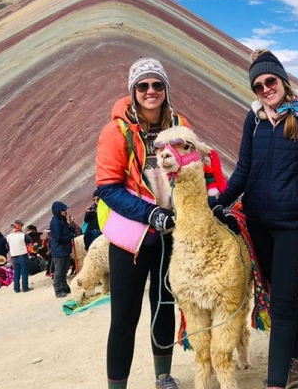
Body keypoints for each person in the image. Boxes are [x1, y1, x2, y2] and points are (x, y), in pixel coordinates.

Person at [208, 49, 298, 389]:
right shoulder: (255, 120)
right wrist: (220, 201)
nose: (264, 90)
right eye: (257, 86)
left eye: (269, 81)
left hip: (293, 225)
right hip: (258, 223)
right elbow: (244, 169)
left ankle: (275, 382)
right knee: (279, 296)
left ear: (283, 80)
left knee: (283, 303)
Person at [96, 57, 185, 389]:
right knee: (124, 317)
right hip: (130, 239)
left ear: (165, 89)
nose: (151, 91)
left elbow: (193, 170)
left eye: (157, 85)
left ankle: (163, 376)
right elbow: (108, 187)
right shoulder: (115, 131)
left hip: (169, 233)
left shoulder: (179, 124)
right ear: (133, 91)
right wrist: (149, 213)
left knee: (164, 305)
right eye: (143, 85)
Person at [49, 202, 76, 298]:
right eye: (63, 210)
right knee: (59, 271)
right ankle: (58, 289)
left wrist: (71, 229)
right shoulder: (55, 222)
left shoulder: (62, 220)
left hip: (65, 249)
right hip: (59, 249)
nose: (66, 211)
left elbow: (66, 231)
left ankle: (64, 286)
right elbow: (58, 238)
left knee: (64, 269)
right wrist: (69, 236)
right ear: (58, 211)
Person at [8, 220, 32, 293]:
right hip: (22, 255)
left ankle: (16, 288)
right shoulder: (23, 235)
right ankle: (25, 287)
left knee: (16, 273)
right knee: (24, 272)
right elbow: (30, 241)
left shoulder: (8, 236)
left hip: (14, 256)